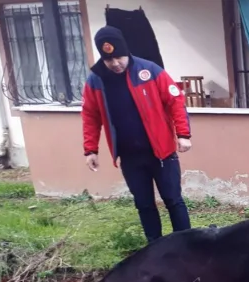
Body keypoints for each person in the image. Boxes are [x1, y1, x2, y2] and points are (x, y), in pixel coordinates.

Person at [81, 26, 192, 243]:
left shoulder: (149, 70)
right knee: (143, 203)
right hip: (130, 157)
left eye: (119, 57)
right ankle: (154, 247)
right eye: (109, 59)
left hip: (161, 153)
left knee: (173, 200)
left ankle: (187, 244)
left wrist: (183, 134)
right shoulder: (95, 79)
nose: (115, 64)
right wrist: (90, 149)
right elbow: (90, 116)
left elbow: (175, 101)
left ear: (126, 51)